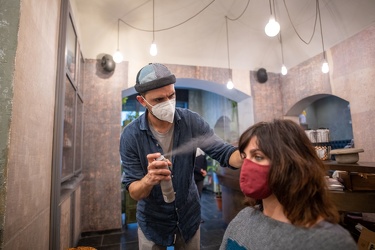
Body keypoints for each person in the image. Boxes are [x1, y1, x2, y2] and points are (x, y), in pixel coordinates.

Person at [119, 63, 243, 250]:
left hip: (188, 216)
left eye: (171, 95)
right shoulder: (130, 136)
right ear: (142, 101)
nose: (168, 103)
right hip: (153, 222)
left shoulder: (191, 122)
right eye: (159, 99)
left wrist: (248, 154)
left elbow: (224, 152)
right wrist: (149, 179)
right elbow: (135, 192)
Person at [220, 119, 357, 250]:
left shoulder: (329, 242)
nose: (247, 166)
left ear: (289, 164)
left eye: (258, 157)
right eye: (245, 157)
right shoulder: (243, 218)